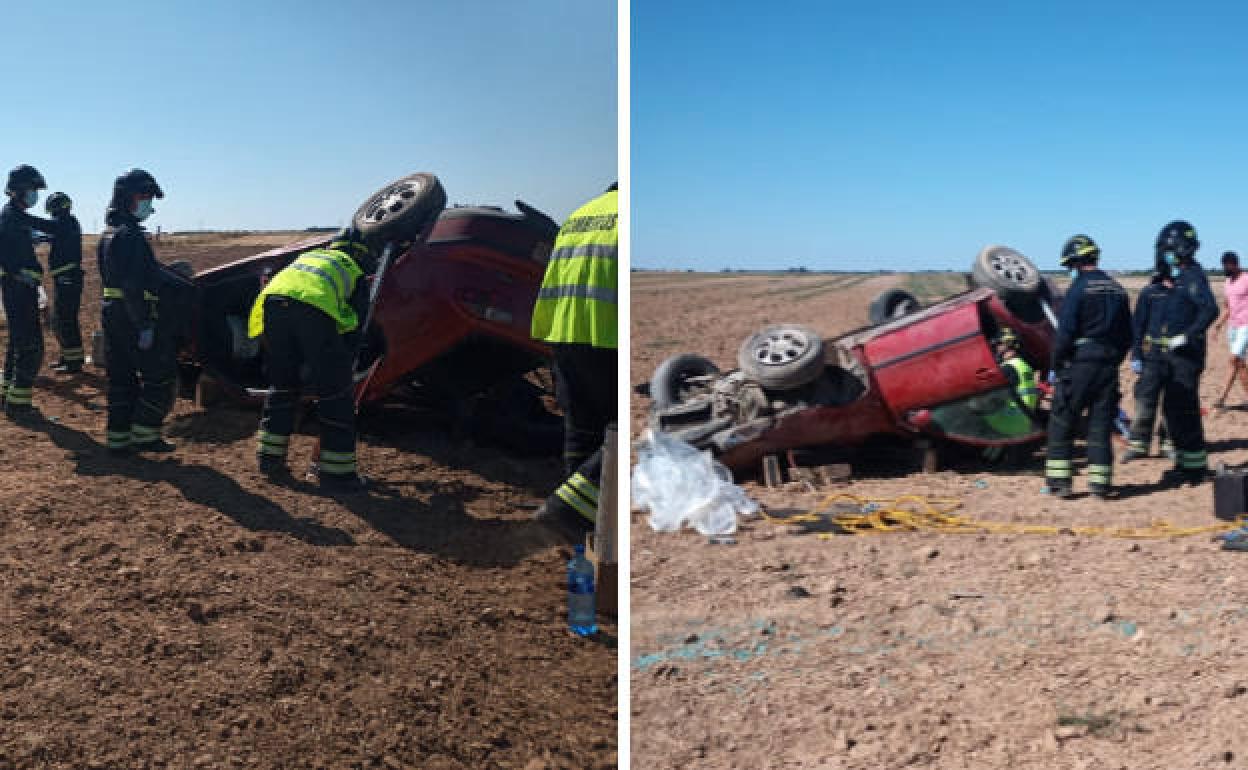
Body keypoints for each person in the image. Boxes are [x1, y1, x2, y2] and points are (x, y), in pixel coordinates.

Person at [247, 226, 376, 492]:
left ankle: (269, 459)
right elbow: (356, 325)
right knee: (335, 393)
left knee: (282, 386)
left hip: (272, 307)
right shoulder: (353, 270)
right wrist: (343, 365)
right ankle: (337, 474)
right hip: (312, 310)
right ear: (360, 254)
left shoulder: (310, 257)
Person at [530, 183, 618, 540]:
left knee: (582, 429)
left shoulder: (581, 214)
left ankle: (580, 534)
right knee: (617, 432)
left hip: (565, 330)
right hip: (607, 333)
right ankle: (567, 512)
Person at [1044, 234, 1132, 499]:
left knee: (1062, 420)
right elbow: (1129, 334)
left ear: (1075, 262)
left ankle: (1060, 483)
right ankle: (1100, 485)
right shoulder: (1117, 289)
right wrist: (1114, 359)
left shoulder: (1078, 289)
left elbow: (1065, 332)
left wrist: (1056, 364)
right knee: (1100, 424)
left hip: (1081, 364)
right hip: (1108, 365)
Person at [98, 168, 178, 453]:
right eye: (144, 196)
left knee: (121, 378)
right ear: (127, 198)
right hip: (131, 315)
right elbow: (133, 284)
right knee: (160, 377)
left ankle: (118, 440)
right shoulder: (130, 235)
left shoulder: (109, 233)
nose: (148, 204)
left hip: (112, 312)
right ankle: (145, 435)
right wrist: (144, 324)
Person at [1143, 220, 1218, 485]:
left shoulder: (1192, 277)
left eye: (1168, 249)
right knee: (1175, 411)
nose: (1165, 254)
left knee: (1184, 411)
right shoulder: (1180, 278)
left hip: (1186, 357)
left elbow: (1210, 310)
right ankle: (1187, 465)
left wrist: (1187, 336)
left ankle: (1195, 469)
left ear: (1180, 249)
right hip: (1176, 357)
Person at [0, 164, 63, 421]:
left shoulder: (14, 214)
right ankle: (18, 404)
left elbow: (38, 224)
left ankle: (7, 393)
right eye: (31, 189)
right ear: (16, 190)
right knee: (31, 346)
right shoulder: (9, 217)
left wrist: (60, 225)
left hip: (20, 287)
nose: (34, 194)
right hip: (18, 288)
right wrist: (18, 272)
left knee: (17, 342)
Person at [1123, 264, 1174, 462]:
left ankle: (1167, 445)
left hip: (1176, 359)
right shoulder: (1149, 294)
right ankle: (1138, 445)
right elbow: (1138, 327)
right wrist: (1136, 355)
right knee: (1145, 402)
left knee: (1172, 404)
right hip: (1151, 357)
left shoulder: (1184, 293)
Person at [981, 326, 1038, 463]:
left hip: (1012, 419)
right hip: (1025, 419)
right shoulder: (1023, 365)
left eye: (999, 344)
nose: (997, 348)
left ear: (1008, 345)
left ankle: (989, 459)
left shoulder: (1008, 368)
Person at [44, 192, 85, 374]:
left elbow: (45, 228)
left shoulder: (64, 223)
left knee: (66, 319)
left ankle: (73, 363)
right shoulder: (68, 223)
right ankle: (68, 357)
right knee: (62, 319)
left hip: (68, 278)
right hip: (66, 278)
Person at [1213, 250, 1248, 408]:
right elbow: (1228, 308)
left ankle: (1222, 397)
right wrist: (1218, 325)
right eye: (1223, 266)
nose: (1225, 269)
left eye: (1227, 265)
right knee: (1238, 363)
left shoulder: (1246, 279)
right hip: (1232, 326)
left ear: (1235, 264)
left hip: (1245, 326)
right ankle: (1226, 398)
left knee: (1234, 359)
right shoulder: (1227, 283)